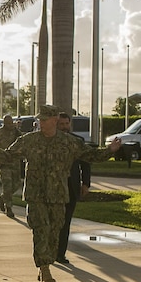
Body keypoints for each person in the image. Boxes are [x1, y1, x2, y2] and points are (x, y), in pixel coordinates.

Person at [0, 104, 120, 282]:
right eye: (39, 120)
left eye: (44, 120)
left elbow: (91, 155)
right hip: (36, 196)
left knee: (54, 234)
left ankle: (46, 262)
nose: (40, 123)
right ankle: (45, 270)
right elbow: (7, 156)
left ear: (54, 121)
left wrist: (111, 150)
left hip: (58, 196)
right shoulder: (29, 140)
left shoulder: (69, 142)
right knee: (41, 231)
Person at [56, 112, 91, 265]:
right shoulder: (50, 142)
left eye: (66, 124)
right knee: (53, 223)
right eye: (61, 124)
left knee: (65, 222)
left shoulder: (78, 142)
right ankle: (50, 252)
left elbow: (86, 164)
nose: (64, 127)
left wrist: (85, 184)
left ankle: (60, 254)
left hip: (71, 187)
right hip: (54, 188)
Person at [0, 114, 22, 217]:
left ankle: (3, 197)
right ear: (4, 123)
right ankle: (9, 207)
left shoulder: (16, 132)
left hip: (15, 163)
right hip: (4, 164)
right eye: (7, 123)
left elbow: (22, 142)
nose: (9, 125)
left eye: (11, 123)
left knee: (16, 185)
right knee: (7, 186)